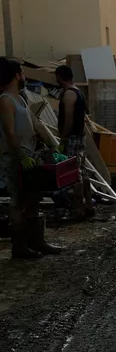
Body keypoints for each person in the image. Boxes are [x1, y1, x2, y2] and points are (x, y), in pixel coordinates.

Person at [0, 58, 61, 258]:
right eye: (22, 73)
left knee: (34, 197)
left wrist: (53, 145)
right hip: (16, 158)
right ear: (16, 76)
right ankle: (20, 247)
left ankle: (37, 241)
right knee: (18, 201)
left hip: (30, 156)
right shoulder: (5, 100)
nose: (24, 76)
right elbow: (9, 132)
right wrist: (21, 155)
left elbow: (38, 124)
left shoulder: (21, 99)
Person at [56, 65, 94, 221]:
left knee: (74, 173)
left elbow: (69, 119)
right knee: (82, 171)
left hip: (73, 138)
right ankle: (88, 207)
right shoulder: (77, 91)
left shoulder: (69, 94)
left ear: (60, 77)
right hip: (80, 137)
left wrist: (64, 137)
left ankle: (79, 209)